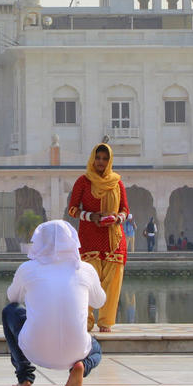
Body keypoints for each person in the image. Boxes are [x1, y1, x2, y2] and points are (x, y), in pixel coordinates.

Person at [2, 220, 105, 386]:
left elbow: (12, 298)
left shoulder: (27, 269)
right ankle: (81, 367)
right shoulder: (85, 269)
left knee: (9, 312)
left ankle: (24, 378)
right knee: (96, 351)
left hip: (35, 349)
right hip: (76, 350)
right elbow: (99, 302)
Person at [66, 142, 128, 332]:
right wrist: (91, 216)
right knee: (86, 281)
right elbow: (72, 209)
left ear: (109, 161)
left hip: (113, 239)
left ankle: (106, 322)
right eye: (98, 158)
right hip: (90, 237)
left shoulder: (117, 183)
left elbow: (125, 209)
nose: (101, 162)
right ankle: (86, 321)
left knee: (112, 282)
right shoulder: (83, 182)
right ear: (93, 159)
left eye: (105, 159)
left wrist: (118, 218)